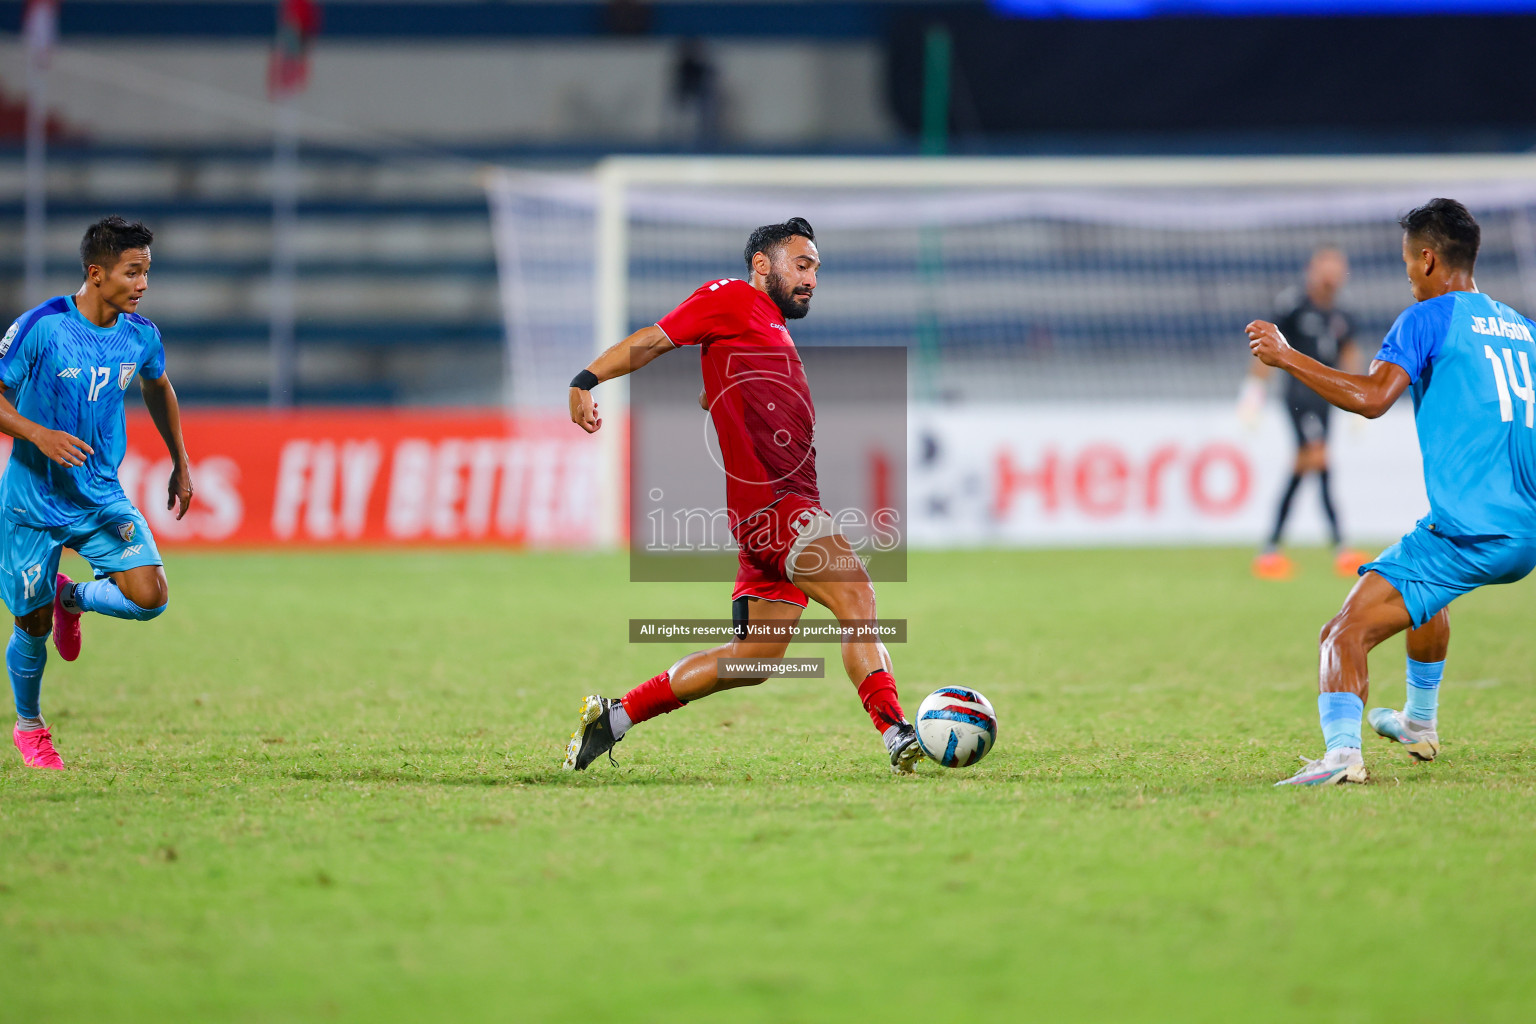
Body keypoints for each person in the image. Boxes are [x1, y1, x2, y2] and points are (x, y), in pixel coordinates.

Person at [562, 217, 924, 775]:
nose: (811, 279)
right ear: (762, 264)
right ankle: (896, 730)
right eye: (801, 266)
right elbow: (650, 342)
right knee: (859, 603)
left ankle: (612, 718)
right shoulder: (730, 298)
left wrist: (725, 398)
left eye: (816, 270)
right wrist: (587, 379)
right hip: (781, 508)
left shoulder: (769, 327)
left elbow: (735, 394)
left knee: (751, 661)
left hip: (769, 516)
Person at [1247, 199, 1536, 786]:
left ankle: (1341, 757)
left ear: (1428, 259)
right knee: (1428, 592)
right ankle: (1419, 722)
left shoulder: (1428, 316)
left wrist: (1286, 356)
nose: (1407, 275)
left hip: (1471, 533)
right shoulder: (1523, 329)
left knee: (1341, 634)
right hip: (1524, 532)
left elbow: (1374, 399)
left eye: (1408, 262)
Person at [0, 216, 194, 769]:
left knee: (150, 596)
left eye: (146, 272)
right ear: (97, 273)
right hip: (32, 499)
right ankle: (30, 728)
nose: (143, 284)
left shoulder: (141, 335)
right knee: (30, 628)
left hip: (98, 493)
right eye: (133, 272)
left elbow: (157, 383)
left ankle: (73, 598)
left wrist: (180, 459)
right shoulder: (42, 326)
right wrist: (38, 433)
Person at [1240, 247, 1368, 579]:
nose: (1334, 273)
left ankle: (1270, 550)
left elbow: (1350, 352)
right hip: (1299, 395)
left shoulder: (1342, 314)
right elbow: (1265, 346)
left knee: (1306, 464)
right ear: (1313, 269)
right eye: (1328, 266)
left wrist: (1358, 399)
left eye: (1339, 267)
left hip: (1327, 398)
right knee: (1319, 458)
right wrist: (1253, 393)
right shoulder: (1293, 305)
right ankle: (1341, 548)